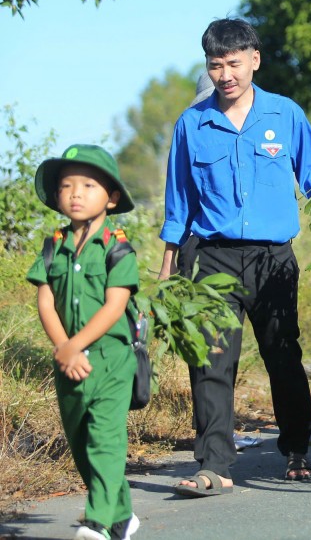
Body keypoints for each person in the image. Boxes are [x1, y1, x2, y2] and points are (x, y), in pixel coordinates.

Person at [160, 19, 311, 494]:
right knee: (211, 360)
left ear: (254, 60)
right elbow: (178, 204)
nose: (225, 75)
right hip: (210, 258)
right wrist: (168, 268)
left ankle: (297, 449)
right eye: (215, 65)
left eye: (234, 63)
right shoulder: (192, 124)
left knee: (282, 354)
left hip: (272, 259)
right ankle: (214, 464)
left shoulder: (284, 115)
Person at [27, 145, 141, 540]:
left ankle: (97, 524)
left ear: (110, 198)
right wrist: (64, 348)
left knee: (104, 442)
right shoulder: (52, 245)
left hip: (110, 360)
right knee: (80, 444)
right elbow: (45, 299)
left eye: (88, 185)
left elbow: (115, 305)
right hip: (69, 363)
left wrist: (75, 344)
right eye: (67, 185)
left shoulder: (117, 246)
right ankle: (122, 515)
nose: (76, 193)